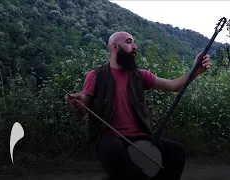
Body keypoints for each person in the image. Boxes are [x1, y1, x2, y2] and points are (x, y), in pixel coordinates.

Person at [64, 31, 210, 180]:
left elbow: (173, 86)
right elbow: (81, 111)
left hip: (140, 137)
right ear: (115, 46)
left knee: (177, 151)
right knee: (116, 153)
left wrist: (195, 71)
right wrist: (77, 106)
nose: (135, 46)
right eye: (129, 42)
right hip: (108, 137)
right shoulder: (96, 75)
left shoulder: (140, 75)